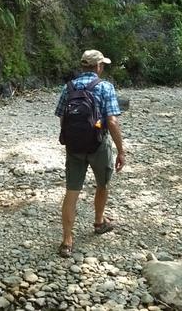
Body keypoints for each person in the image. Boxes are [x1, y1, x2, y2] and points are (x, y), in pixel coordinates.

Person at [54, 49, 126, 257]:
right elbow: (111, 122)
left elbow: (62, 117)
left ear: (83, 66)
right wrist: (121, 150)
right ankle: (98, 222)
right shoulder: (105, 87)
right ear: (98, 67)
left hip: (74, 147)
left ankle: (67, 241)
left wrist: (71, 138)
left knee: (72, 191)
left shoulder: (68, 88)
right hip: (98, 145)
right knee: (102, 184)